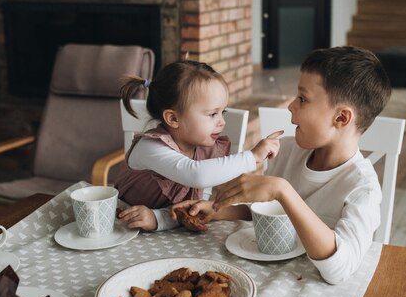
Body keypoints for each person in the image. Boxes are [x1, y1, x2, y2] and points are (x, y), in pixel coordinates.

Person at [171, 46, 392, 285]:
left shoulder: (363, 189)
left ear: (341, 118)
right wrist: (218, 211)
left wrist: (282, 190)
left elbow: (338, 270)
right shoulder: (286, 150)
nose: (291, 106)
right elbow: (269, 214)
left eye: (302, 99)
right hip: (261, 276)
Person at [114, 60, 281, 232]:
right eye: (212, 114)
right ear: (173, 119)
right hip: (120, 225)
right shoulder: (150, 147)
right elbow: (196, 174)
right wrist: (252, 157)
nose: (222, 122)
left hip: (161, 233)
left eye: (222, 112)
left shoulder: (205, 151)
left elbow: (192, 207)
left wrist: (157, 218)